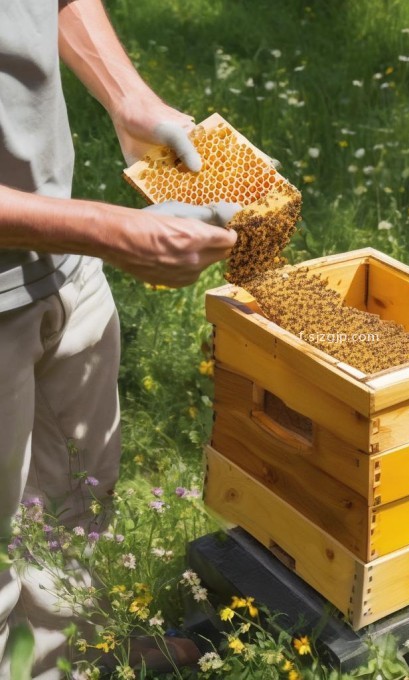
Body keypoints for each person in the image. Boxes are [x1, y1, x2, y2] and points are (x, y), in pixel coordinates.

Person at [0, 1, 239, 676]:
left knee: (78, 498)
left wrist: (128, 96)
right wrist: (110, 230)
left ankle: (66, 655)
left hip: (63, 260)